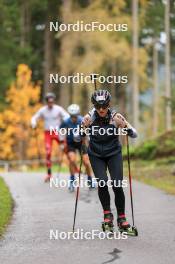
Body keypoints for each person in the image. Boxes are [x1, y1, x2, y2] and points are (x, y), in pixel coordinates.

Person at [82, 89, 138, 231]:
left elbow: (134, 134)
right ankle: (107, 215)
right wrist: (83, 127)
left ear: (109, 104)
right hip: (96, 155)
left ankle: (122, 217)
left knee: (117, 185)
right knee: (102, 183)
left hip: (113, 153)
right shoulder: (89, 117)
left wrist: (124, 126)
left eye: (104, 106)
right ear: (94, 105)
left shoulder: (115, 116)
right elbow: (77, 137)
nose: (101, 109)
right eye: (97, 106)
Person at [31, 92, 69, 182]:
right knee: (48, 152)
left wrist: (66, 122)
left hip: (57, 132)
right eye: (49, 102)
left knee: (66, 149)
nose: (50, 104)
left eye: (52, 102)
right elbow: (34, 118)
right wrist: (33, 123)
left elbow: (67, 116)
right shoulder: (43, 110)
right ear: (47, 102)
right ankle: (49, 174)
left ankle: (75, 168)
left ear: (54, 101)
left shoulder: (58, 109)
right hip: (48, 133)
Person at [60, 104, 95, 192]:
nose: (74, 118)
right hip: (70, 143)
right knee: (72, 160)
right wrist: (61, 143)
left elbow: (88, 131)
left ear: (78, 114)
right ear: (70, 115)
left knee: (86, 162)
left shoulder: (82, 120)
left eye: (75, 116)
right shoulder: (65, 121)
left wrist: (89, 140)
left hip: (81, 143)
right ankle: (72, 181)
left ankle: (90, 180)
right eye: (72, 116)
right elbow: (61, 131)